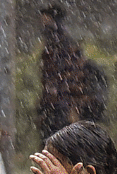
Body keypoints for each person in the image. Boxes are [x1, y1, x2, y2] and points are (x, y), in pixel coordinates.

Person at [37, 5, 90, 141]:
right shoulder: (54, 44)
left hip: (61, 106)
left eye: (45, 20)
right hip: (54, 105)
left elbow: (71, 77)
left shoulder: (62, 45)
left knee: (60, 144)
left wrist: (72, 107)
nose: (43, 24)